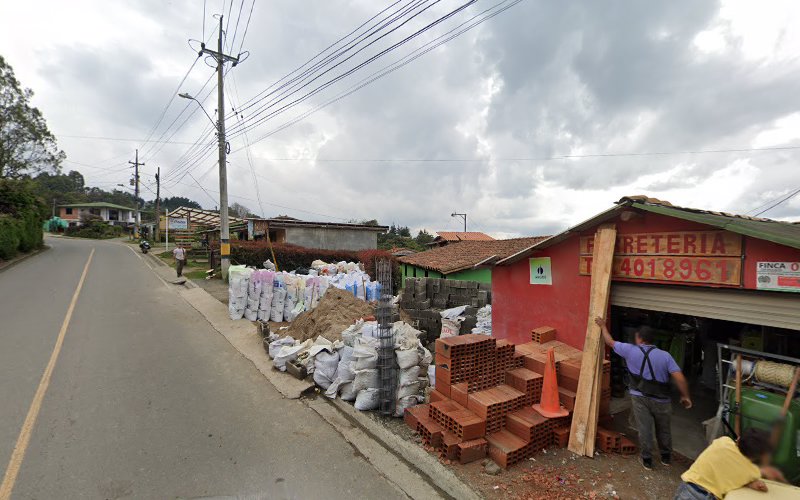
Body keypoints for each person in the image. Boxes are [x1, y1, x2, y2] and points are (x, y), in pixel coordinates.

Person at [595, 317, 692, 470]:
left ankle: (647, 460)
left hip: (639, 397)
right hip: (662, 400)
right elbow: (680, 378)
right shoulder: (665, 356)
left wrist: (602, 326)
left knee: (645, 428)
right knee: (664, 429)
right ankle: (665, 457)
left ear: (639, 338)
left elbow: (610, 341)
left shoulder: (630, 350)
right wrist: (685, 396)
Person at [674, 428, 787, 499]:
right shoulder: (751, 471)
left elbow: (726, 466)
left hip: (688, 488)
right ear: (755, 457)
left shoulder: (723, 441)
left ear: (738, 439)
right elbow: (740, 475)